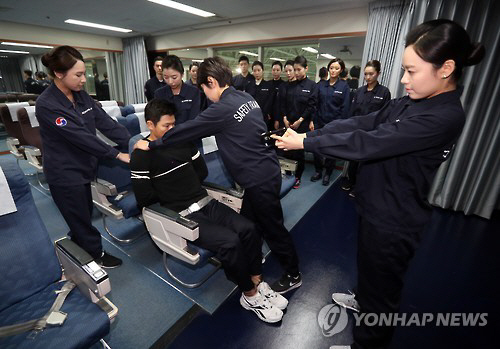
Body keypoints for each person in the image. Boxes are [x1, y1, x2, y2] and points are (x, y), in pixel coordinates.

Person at [272, 19, 484, 349]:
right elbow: (364, 121)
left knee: (381, 301)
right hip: (375, 208)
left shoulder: (444, 115)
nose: (404, 80)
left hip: (394, 222)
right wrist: (308, 135)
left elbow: (368, 142)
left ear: (447, 68)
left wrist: (305, 145)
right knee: (370, 277)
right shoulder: (413, 101)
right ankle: (364, 297)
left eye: (412, 71)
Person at [135, 57, 302, 294]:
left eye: (203, 88)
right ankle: (252, 264)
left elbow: (188, 129)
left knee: (273, 228)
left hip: (258, 179)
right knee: (248, 223)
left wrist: (152, 145)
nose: (204, 93)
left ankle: (293, 273)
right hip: (267, 170)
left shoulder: (222, 108)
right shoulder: (245, 97)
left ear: (211, 82)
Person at [131, 98, 288, 323]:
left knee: (249, 229)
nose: (172, 130)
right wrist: (173, 196)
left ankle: (257, 281)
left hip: (205, 203)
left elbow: (202, 173)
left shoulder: (183, 142)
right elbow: (144, 198)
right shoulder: (141, 155)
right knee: (230, 242)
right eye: (166, 126)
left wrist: (187, 188)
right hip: (183, 216)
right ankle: (249, 295)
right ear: (150, 125)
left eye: (174, 124)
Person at [36, 45, 131, 268]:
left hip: (84, 166)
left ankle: (76, 244)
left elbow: (105, 122)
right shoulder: (47, 104)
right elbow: (81, 137)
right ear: (59, 74)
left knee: (81, 214)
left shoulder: (81, 96)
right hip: (65, 172)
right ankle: (95, 254)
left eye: (83, 74)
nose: (83, 80)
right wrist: (117, 154)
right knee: (80, 216)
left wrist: (134, 142)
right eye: (78, 75)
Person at [343, 60, 391, 195]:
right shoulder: (359, 91)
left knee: (366, 163)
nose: (368, 77)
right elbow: (352, 113)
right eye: (366, 74)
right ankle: (351, 182)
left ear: (378, 74)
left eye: (371, 74)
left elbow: (385, 116)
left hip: (372, 134)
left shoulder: (384, 92)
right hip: (357, 132)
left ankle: (360, 187)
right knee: (353, 160)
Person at [311, 58, 350, 186]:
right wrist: (313, 120)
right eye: (331, 68)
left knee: (330, 149)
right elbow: (315, 104)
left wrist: (339, 125)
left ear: (341, 70)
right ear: (328, 68)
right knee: (316, 147)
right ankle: (318, 171)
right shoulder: (321, 85)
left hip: (334, 124)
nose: (333, 70)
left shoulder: (344, 87)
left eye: (337, 68)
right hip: (319, 122)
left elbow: (345, 108)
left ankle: (328, 172)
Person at [281, 55, 318, 189]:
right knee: (286, 150)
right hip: (288, 124)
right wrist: (284, 118)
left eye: (298, 70)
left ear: (306, 69)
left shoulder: (312, 86)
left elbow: (312, 106)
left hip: (301, 125)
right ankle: (287, 174)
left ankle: (297, 177)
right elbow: (284, 103)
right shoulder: (290, 85)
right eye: (294, 70)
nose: (296, 73)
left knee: (298, 153)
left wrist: (300, 120)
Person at [154, 55, 201, 125]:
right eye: (166, 77)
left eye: (174, 77)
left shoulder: (194, 92)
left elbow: (194, 119)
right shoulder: (159, 94)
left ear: (182, 74)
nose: (170, 81)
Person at [247, 61, 273, 130]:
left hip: (264, 117)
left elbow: (269, 101)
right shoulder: (249, 85)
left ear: (263, 71)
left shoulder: (268, 85)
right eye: (254, 71)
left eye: (259, 70)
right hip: (251, 117)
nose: (257, 73)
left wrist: (264, 112)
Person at [270, 61, 284, 130]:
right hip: (269, 117)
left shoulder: (284, 85)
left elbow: (281, 104)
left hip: (278, 117)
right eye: (273, 70)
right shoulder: (268, 84)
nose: (275, 72)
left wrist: (277, 119)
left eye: (277, 70)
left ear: (281, 71)